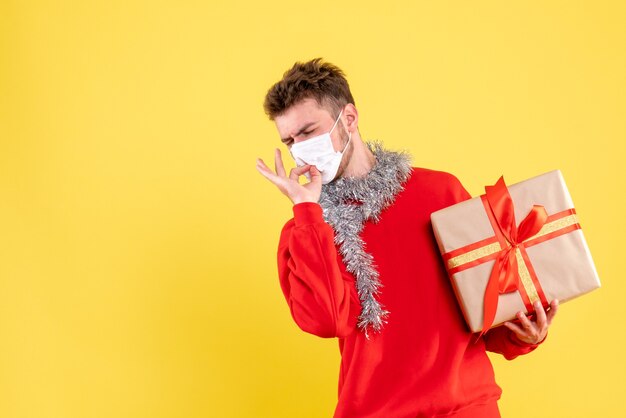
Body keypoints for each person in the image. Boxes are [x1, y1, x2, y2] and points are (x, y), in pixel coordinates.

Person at [255, 58, 558, 418]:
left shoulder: (440, 192)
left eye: (307, 132)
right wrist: (307, 211)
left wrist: (522, 335)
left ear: (348, 118)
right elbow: (326, 321)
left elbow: (486, 309)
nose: (299, 149)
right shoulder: (305, 230)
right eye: (289, 140)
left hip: (466, 408)